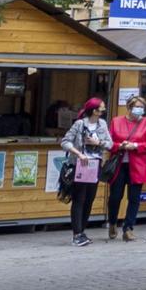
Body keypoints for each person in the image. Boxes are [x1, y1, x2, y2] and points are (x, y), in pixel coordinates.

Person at [60, 96, 111, 248]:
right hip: (80, 165)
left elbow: (110, 143)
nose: (102, 111)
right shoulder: (80, 124)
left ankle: (82, 231)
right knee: (79, 199)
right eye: (101, 108)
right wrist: (78, 153)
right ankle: (76, 234)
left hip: (95, 165)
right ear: (94, 110)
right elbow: (65, 142)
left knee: (90, 198)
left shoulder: (102, 124)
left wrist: (98, 143)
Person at [105, 95, 146, 241]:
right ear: (129, 107)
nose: (139, 110)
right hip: (119, 164)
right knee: (115, 197)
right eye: (137, 107)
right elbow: (110, 143)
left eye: (142, 107)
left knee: (134, 198)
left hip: (138, 165)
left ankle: (128, 228)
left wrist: (136, 146)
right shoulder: (116, 122)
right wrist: (120, 146)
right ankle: (113, 222)